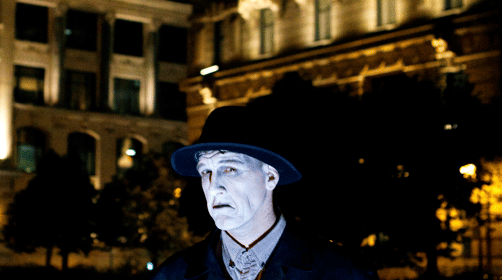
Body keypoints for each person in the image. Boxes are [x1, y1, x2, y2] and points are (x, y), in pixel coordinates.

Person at [152, 105, 377, 280]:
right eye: (205, 171)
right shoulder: (171, 275)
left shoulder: (343, 273)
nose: (214, 186)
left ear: (270, 176)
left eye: (229, 169)